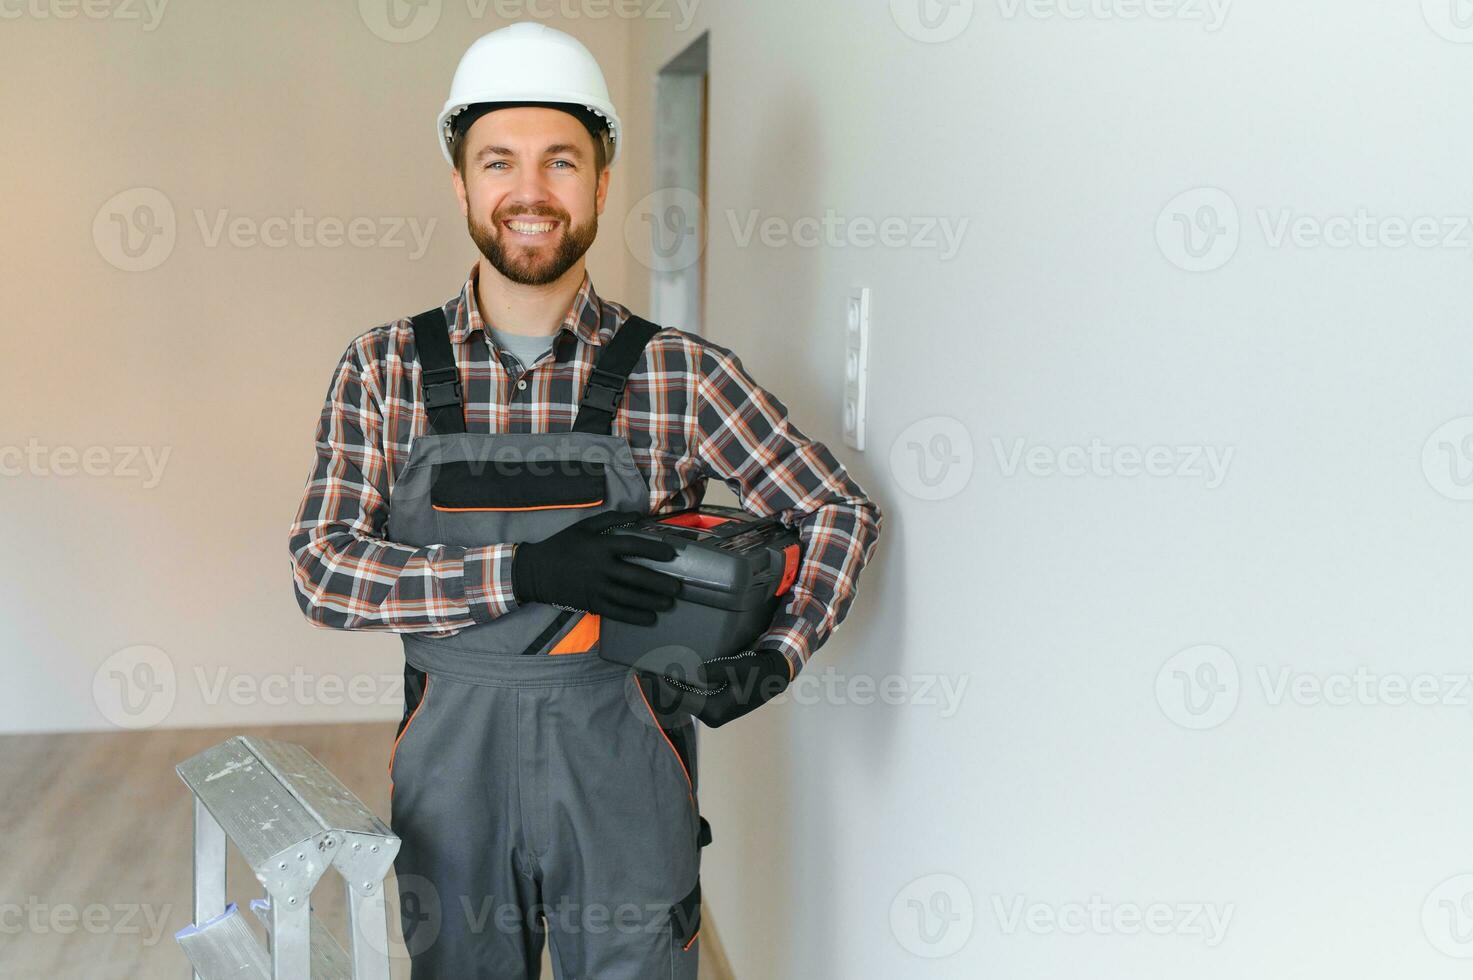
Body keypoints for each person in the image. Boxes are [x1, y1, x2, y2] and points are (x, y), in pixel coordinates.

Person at [287, 22, 882, 979]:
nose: (529, 192)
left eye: (560, 161)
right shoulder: (384, 369)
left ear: (601, 182)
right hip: (454, 778)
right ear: (462, 185)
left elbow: (837, 511)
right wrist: (520, 570)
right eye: (498, 162)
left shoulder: (678, 375)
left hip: (625, 770)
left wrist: (777, 654)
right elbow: (322, 571)